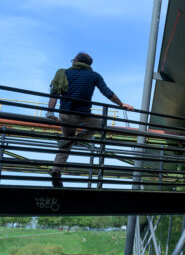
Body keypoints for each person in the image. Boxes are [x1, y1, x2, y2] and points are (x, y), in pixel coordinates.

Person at [46, 52, 133, 187]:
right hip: (82, 115)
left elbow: (54, 94)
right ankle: (77, 140)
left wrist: (50, 112)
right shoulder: (94, 76)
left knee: (66, 141)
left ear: (75, 60)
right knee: (98, 122)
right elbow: (107, 92)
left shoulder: (63, 73)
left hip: (65, 115)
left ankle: (56, 170)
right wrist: (122, 105)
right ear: (89, 64)